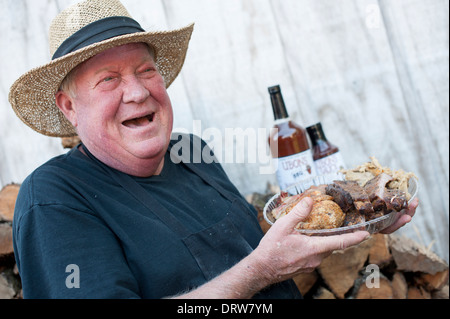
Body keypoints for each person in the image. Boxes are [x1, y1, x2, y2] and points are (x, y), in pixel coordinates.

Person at [9, 0, 419, 299]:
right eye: (108, 80)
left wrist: (357, 219)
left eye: (146, 71)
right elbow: (258, 267)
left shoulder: (191, 153)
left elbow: (256, 251)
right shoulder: (52, 199)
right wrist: (260, 271)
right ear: (69, 107)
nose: (137, 92)